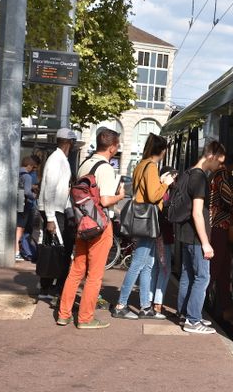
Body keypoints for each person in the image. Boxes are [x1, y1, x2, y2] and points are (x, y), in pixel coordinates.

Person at [57, 128, 125, 329]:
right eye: (118, 145)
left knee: (76, 270)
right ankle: (86, 318)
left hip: (81, 223)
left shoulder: (84, 163)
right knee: (94, 275)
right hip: (99, 226)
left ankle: (63, 314)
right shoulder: (105, 168)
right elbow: (104, 200)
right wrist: (120, 196)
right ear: (112, 147)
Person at [112, 134, 173, 320]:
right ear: (162, 151)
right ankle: (121, 304)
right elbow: (154, 196)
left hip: (140, 218)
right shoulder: (152, 167)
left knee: (147, 265)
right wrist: (165, 184)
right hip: (147, 221)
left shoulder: (140, 164)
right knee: (139, 264)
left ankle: (145, 306)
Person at [176, 140, 226, 334]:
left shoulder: (187, 173)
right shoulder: (200, 178)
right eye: (219, 162)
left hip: (186, 234)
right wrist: (206, 243)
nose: (219, 166)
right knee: (202, 277)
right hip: (197, 237)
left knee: (188, 275)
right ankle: (193, 319)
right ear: (211, 156)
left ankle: (184, 313)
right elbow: (198, 212)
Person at [37, 129, 78, 299]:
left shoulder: (60, 159)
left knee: (59, 248)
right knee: (55, 250)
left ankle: (51, 286)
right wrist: (51, 219)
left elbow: (59, 190)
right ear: (69, 143)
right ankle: (47, 288)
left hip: (57, 210)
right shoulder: (57, 160)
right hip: (53, 210)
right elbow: (49, 190)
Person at [208, 157, 233, 320]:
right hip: (219, 227)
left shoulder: (215, 175)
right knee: (216, 267)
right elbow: (230, 202)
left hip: (219, 227)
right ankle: (196, 307)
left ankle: (225, 305)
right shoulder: (222, 176)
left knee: (223, 268)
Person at [149, 166, 178, 315]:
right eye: (173, 177)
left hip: (154, 234)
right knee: (165, 269)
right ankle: (158, 303)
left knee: (154, 268)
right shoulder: (165, 192)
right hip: (163, 235)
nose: (175, 180)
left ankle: (149, 299)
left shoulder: (158, 190)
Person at [15, 156, 37, 261]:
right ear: (29, 166)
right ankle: (17, 251)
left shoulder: (17, 173)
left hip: (17, 202)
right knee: (20, 228)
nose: (33, 169)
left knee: (18, 227)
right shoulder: (27, 176)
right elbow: (27, 192)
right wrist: (34, 196)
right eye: (32, 167)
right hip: (24, 204)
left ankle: (16, 250)